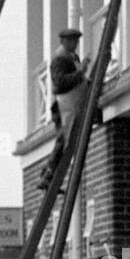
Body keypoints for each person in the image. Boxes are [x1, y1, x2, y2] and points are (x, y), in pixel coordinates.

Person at [36, 28, 92, 191]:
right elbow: (60, 83)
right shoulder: (60, 59)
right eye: (72, 40)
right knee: (63, 140)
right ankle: (48, 175)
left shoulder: (71, 58)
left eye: (76, 41)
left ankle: (48, 175)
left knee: (64, 140)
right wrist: (80, 73)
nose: (75, 44)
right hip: (62, 105)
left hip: (70, 104)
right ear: (64, 42)